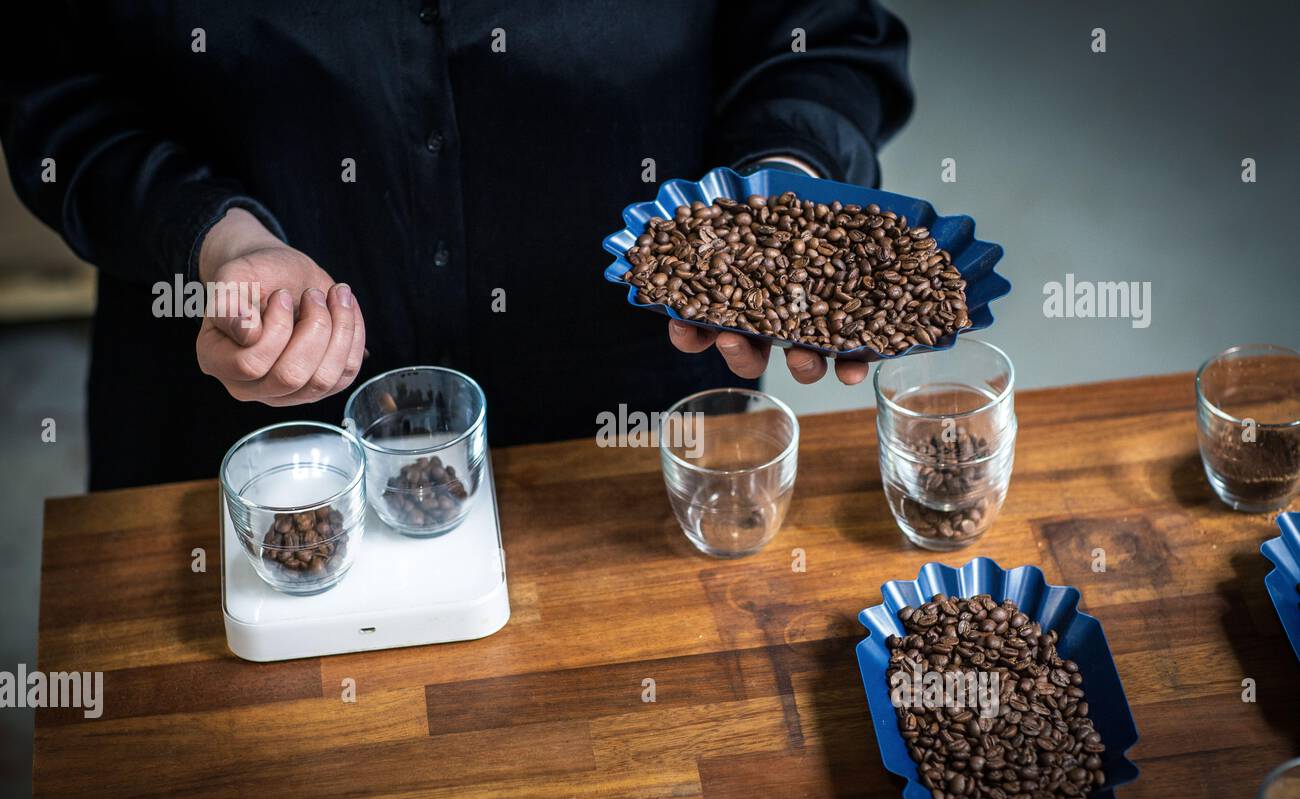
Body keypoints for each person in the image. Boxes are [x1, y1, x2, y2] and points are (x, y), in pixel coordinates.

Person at [1, 1, 912, 490]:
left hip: (625, 435)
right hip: (248, 433)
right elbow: (54, 93)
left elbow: (819, 35)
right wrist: (216, 239)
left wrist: (779, 193)